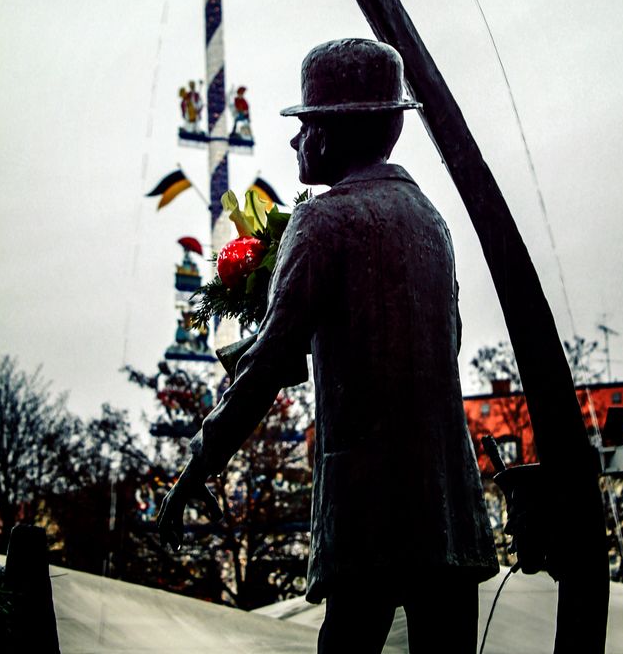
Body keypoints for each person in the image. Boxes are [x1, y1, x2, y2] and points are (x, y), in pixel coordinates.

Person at [158, 39, 498, 652]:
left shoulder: (323, 221)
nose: (296, 141)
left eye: (307, 125)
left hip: (368, 514)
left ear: (339, 131)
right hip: (449, 511)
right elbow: (430, 350)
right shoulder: (430, 219)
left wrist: (197, 467)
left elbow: (265, 371)